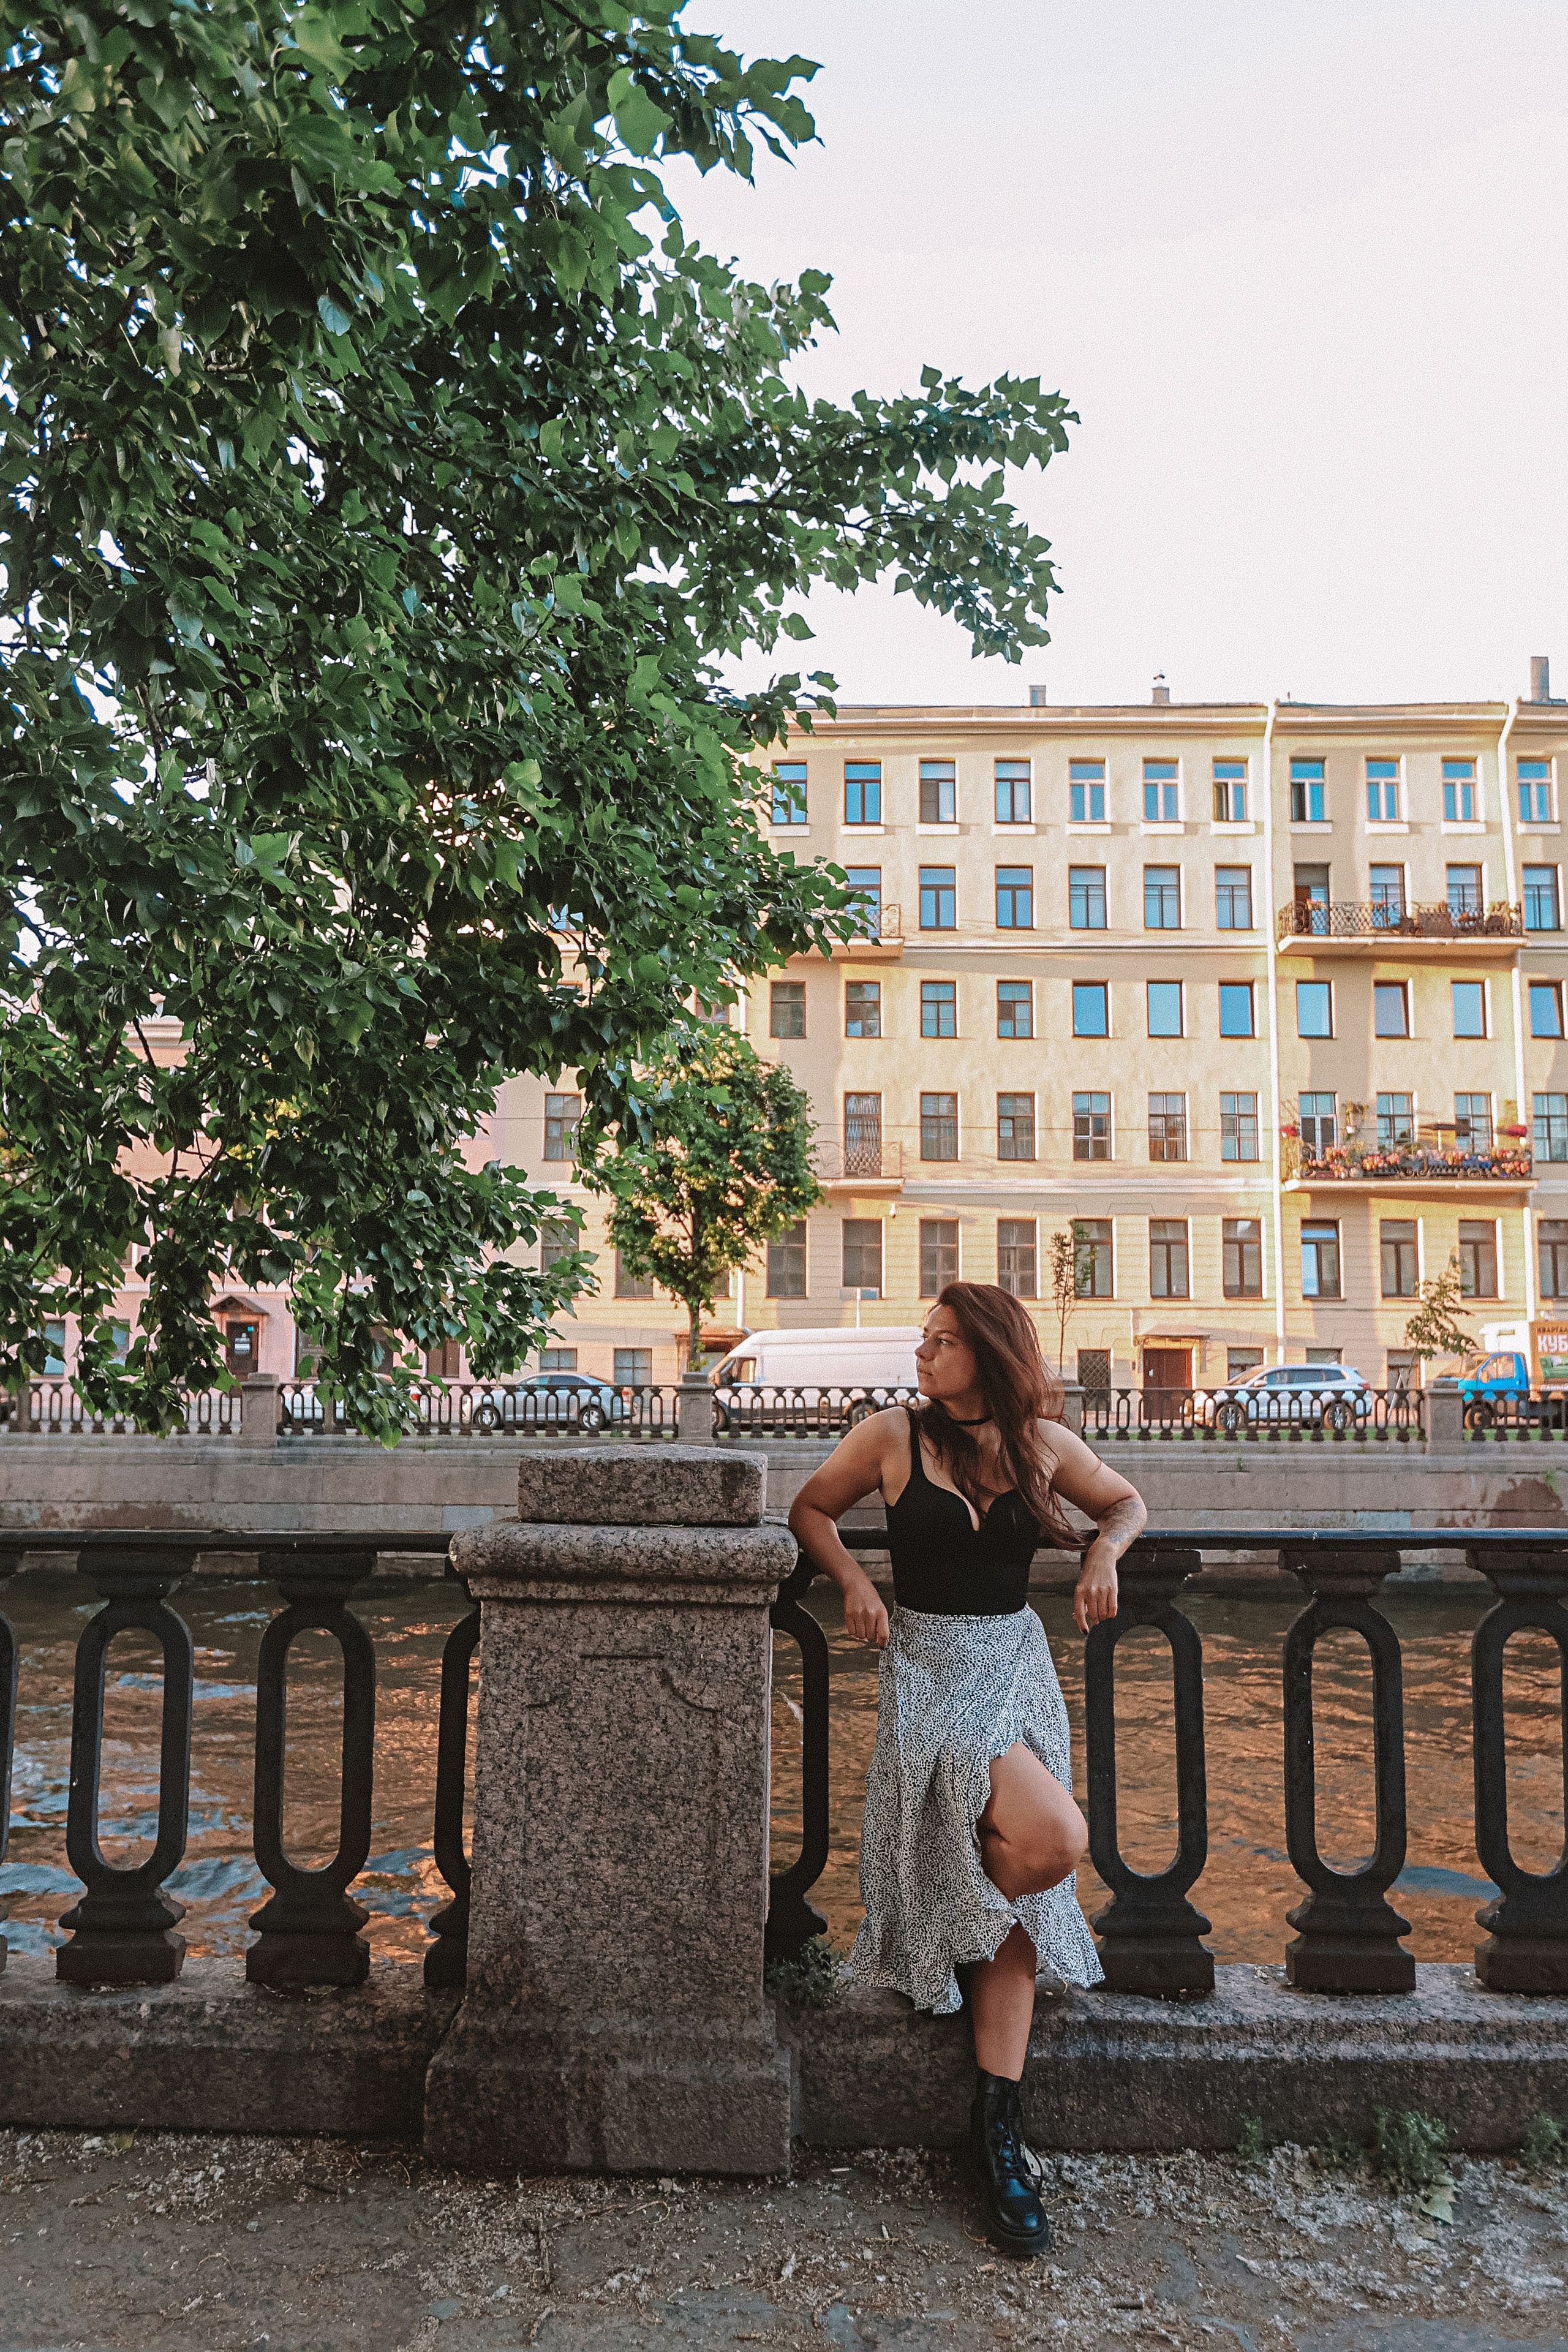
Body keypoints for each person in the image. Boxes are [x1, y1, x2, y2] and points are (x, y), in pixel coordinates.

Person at [788, 1282, 1146, 2257]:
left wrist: (1103, 1555)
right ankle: (996, 2130)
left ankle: (994, 2129)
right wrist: (856, 1582)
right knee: (1055, 1840)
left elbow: (1125, 1500)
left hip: (1015, 1667)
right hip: (929, 1669)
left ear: (987, 1353)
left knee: (1031, 1860)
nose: (923, 1356)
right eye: (924, 1340)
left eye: (942, 1343)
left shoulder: (1039, 1445)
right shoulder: (891, 1437)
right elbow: (810, 1509)